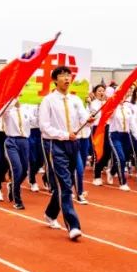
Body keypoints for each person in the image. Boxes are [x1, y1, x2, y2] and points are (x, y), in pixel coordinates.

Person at [38, 65, 87, 241]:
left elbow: (83, 119)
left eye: (69, 75)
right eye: (63, 75)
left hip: (73, 144)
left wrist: (90, 119)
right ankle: (73, 225)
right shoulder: (48, 100)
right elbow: (44, 127)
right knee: (65, 185)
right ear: (55, 80)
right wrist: (65, 134)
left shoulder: (75, 100)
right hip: (55, 144)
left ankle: (50, 213)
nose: (67, 78)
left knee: (66, 182)